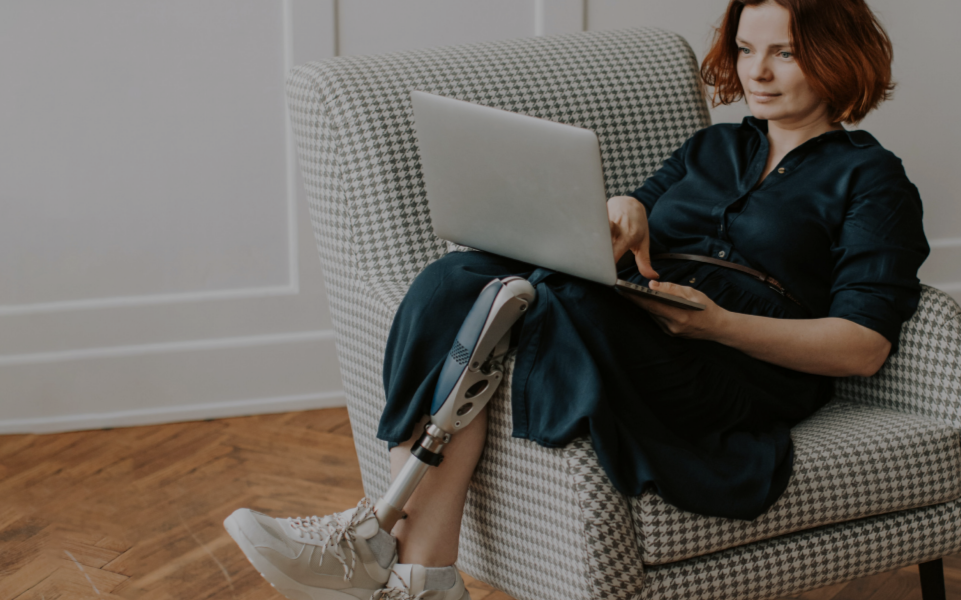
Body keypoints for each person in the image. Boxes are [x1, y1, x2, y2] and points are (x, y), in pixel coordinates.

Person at [224, 1, 929, 598]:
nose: (756, 73)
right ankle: (426, 573)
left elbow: (862, 346)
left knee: (542, 303)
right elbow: (632, 220)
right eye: (746, 49)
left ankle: (377, 532)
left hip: (731, 366)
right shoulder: (710, 148)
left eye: (784, 54)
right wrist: (622, 211)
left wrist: (717, 326)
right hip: (633, 318)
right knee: (455, 278)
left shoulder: (870, 178)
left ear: (838, 57)